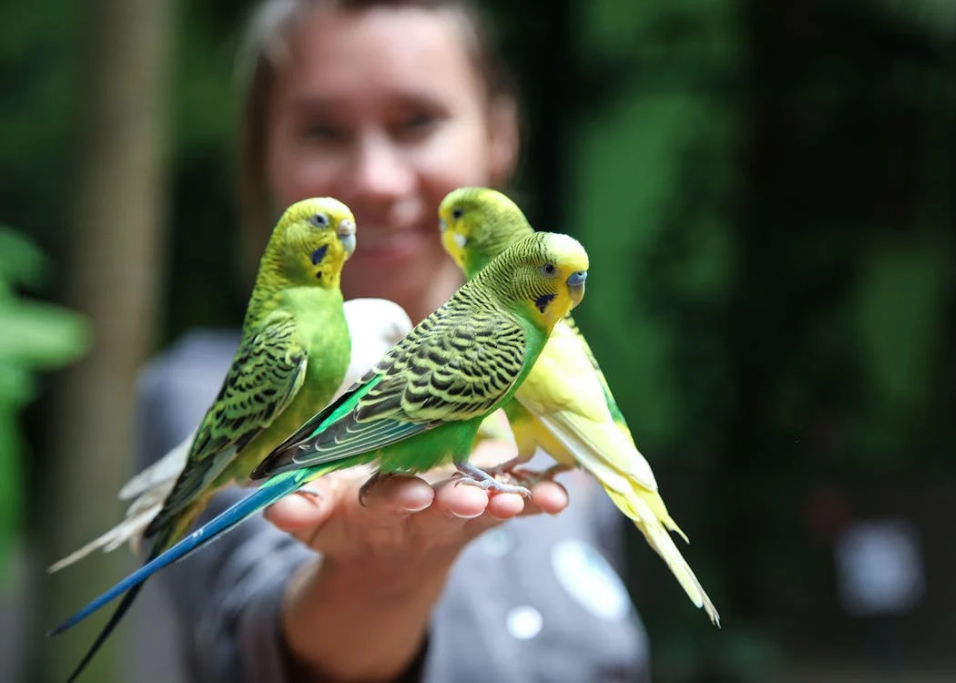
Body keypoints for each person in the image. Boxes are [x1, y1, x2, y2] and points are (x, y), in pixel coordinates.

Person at [138, 1, 650, 681]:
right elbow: (252, 619)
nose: (375, 182)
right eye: (323, 131)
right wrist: (381, 576)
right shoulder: (204, 379)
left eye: (418, 122)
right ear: (263, 156)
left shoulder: (552, 370)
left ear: (501, 135)